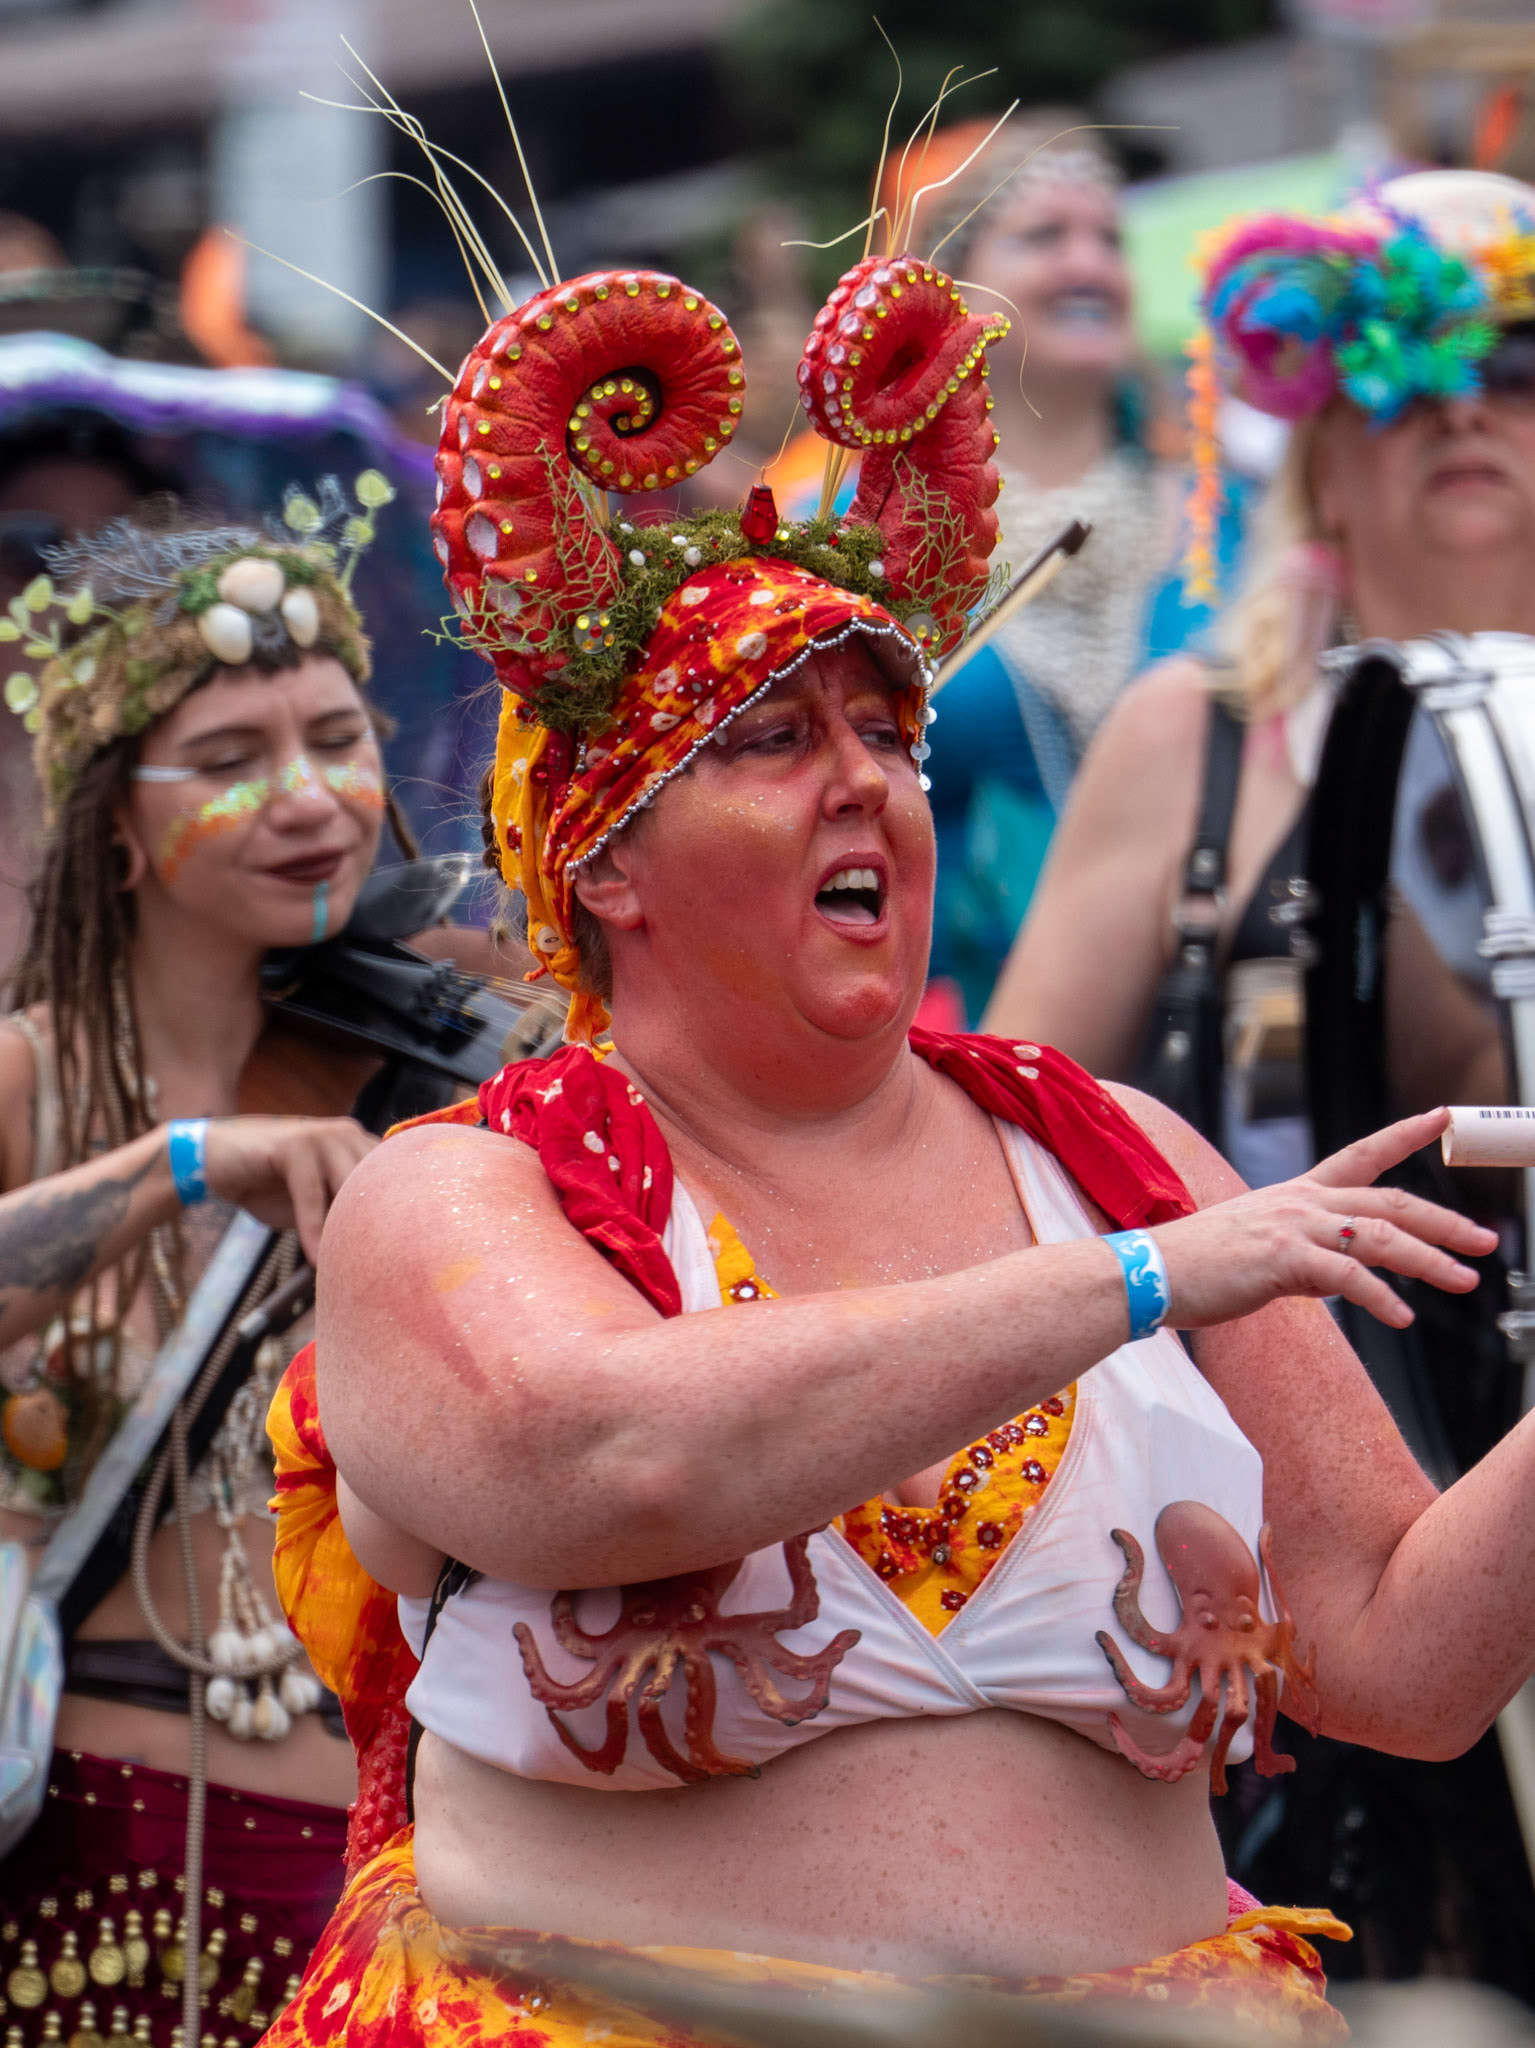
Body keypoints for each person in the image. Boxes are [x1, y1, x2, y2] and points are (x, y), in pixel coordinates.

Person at [253, 238, 1535, 2048]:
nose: (863, 779)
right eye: (770, 740)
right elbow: (609, 1452)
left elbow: (1404, 1663)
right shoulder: (464, 1190)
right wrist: (1140, 1278)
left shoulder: (1114, 1150)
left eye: (888, 732)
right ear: (602, 862)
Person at [0, 488, 417, 2041]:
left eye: (338, 739)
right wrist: (179, 1165)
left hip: (374, 1876)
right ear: (114, 818)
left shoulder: (430, 1088)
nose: (310, 797)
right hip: (75, 1854)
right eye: (233, 760)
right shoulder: (30, 1084)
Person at [987, 168, 1535, 1190]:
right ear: (1320, 467)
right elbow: (1006, 1147)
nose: (1459, 409)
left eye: (1512, 364)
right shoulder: (1195, 733)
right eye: (1394, 373)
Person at [899, 116, 1248, 1019]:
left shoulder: (1230, 518)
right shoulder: (873, 542)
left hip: (1231, 1022)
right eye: (1045, 236)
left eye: (1109, 240)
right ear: (951, 288)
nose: (1088, 265)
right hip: (980, 1035)